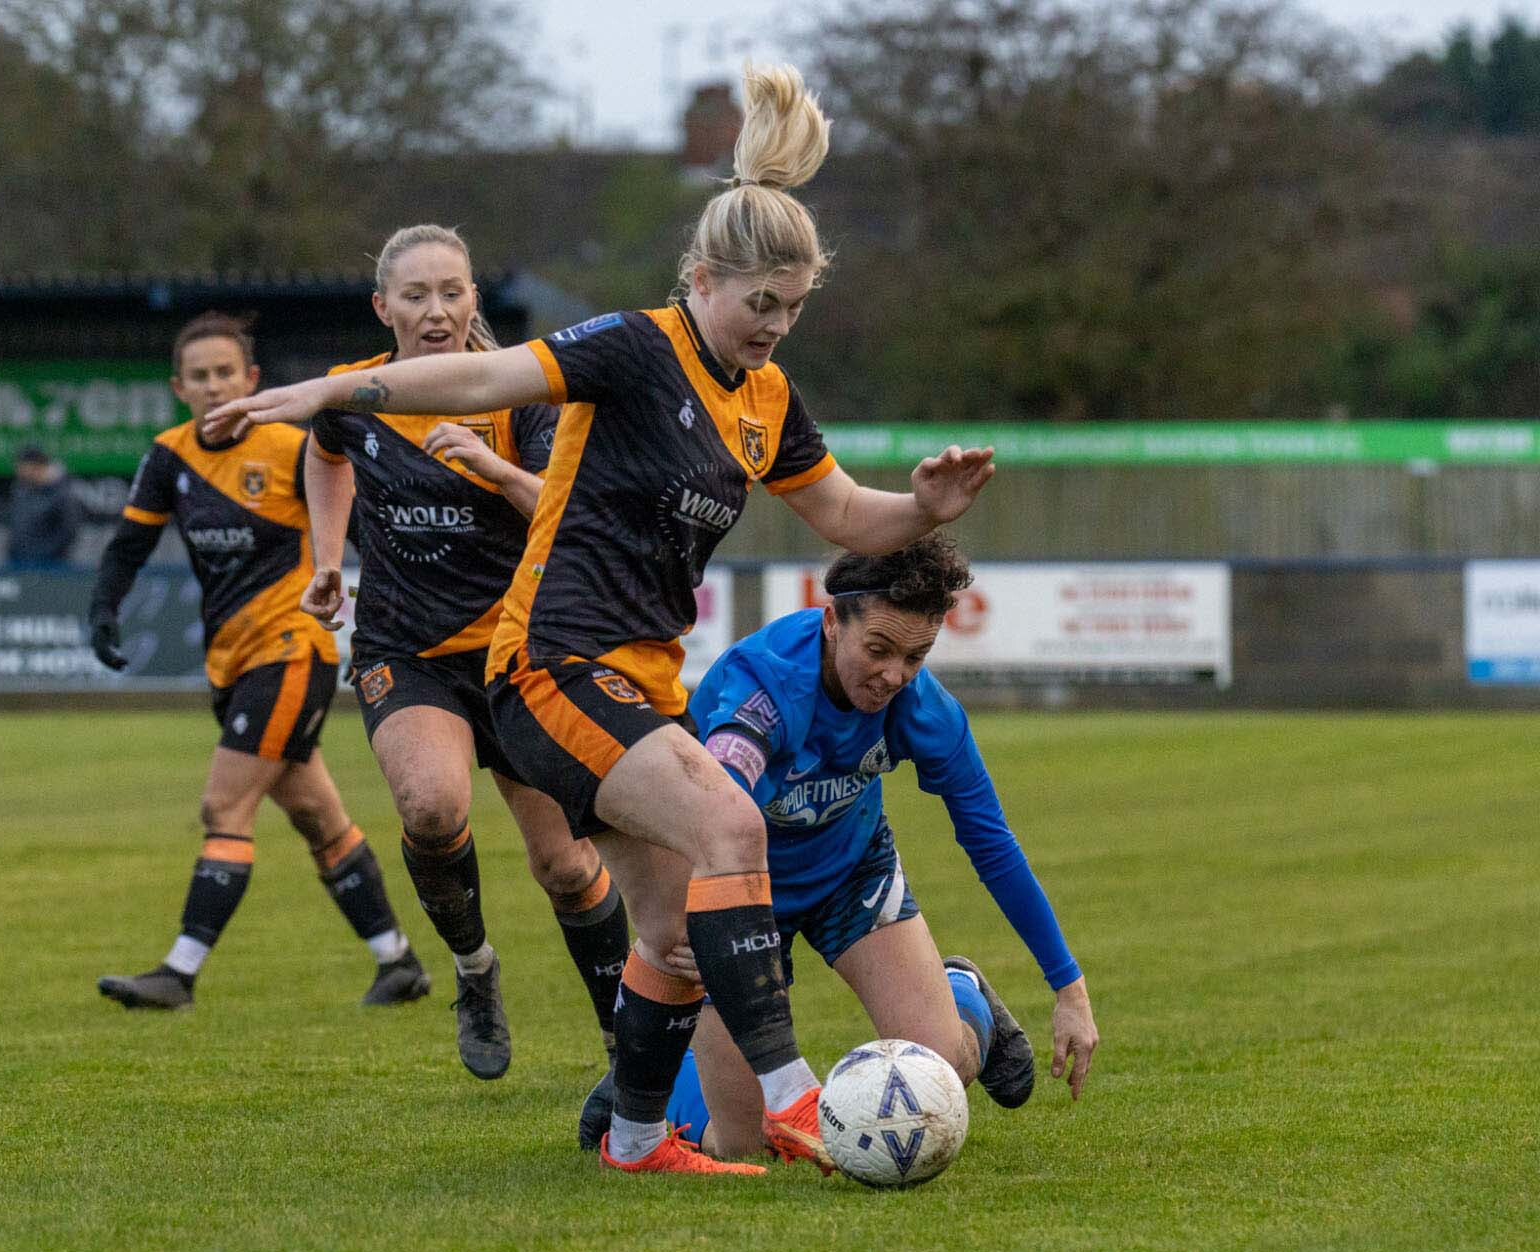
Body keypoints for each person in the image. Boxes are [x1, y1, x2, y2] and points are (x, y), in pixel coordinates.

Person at [206, 63, 995, 1176]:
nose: (773, 326)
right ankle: (792, 1096)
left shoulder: (766, 399)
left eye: (791, 307)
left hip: (639, 675)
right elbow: (482, 377)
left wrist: (922, 505)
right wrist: (333, 392)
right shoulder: (633, 347)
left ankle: (634, 1142)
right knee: (734, 829)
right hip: (550, 667)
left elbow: (839, 514)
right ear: (699, 278)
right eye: (756, 302)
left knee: (671, 933)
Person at [626, 537, 1100, 1159]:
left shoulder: (924, 709)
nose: (894, 675)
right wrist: (693, 915)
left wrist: (1069, 986)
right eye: (878, 649)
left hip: (852, 874)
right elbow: (698, 811)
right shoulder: (760, 690)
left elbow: (992, 843)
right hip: (741, 887)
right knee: (743, 1145)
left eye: (916, 655)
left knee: (941, 1073)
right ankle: (647, 1086)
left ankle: (963, 994)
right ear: (831, 622)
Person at [302, 223, 623, 1081]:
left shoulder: (523, 394)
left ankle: (626, 1033)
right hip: (407, 652)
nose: (437, 310)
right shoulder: (355, 392)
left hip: (522, 650)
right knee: (434, 809)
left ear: (475, 297)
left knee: (564, 864)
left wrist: (491, 466)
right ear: (384, 308)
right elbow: (324, 450)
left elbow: (569, 513)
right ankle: (475, 970)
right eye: (416, 295)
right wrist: (327, 558)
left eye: (453, 291)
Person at [90, 312, 427, 1011]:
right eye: (199, 376)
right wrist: (103, 609)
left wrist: (404, 609)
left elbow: (361, 530)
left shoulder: (292, 446)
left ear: (251, 380)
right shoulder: (169, 456)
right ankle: (398, 960)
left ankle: (179, 972)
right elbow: (128, 545)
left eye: (225, 373)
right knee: (320, 819)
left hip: (290, 650)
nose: (214, 387)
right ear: (178, 386)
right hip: (233, 662)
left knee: (225, 805)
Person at [8, 445, 81, 566]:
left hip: (51, 569)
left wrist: (42, 556)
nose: (19, 470)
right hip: (19, 565)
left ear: (36, 466)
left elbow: (69, 531)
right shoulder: (21, 490)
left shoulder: (62, 492)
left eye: (23, 466)